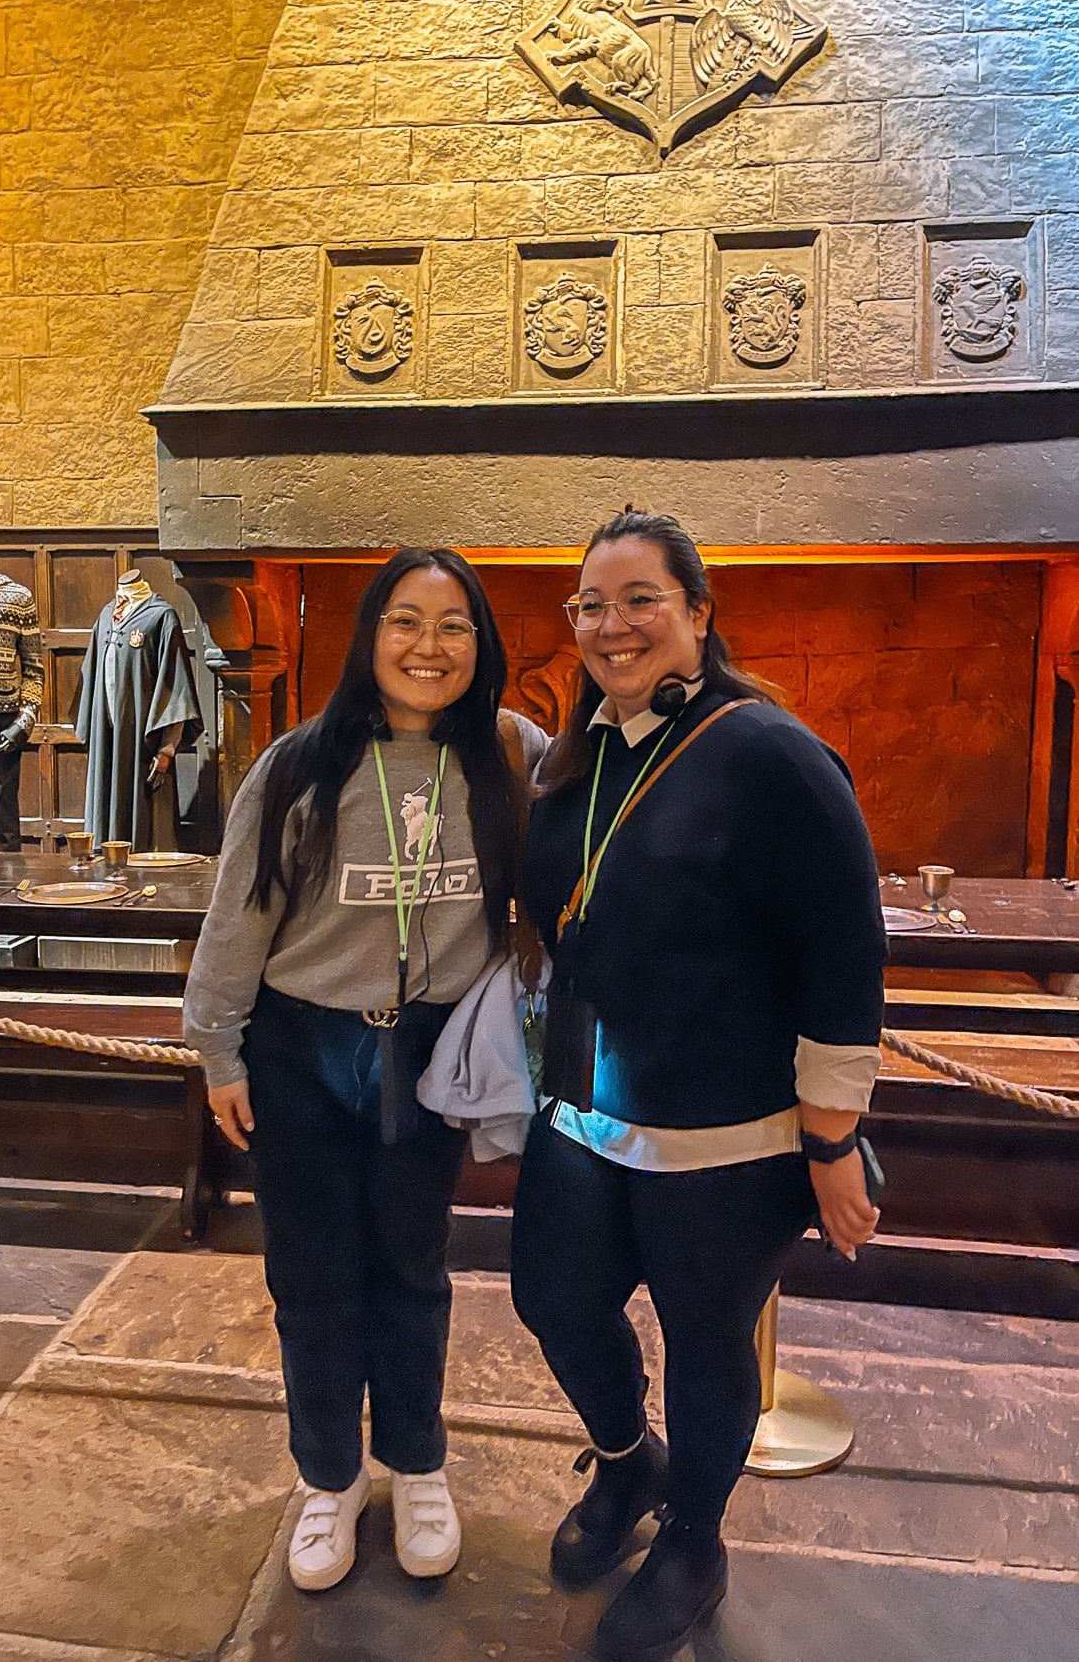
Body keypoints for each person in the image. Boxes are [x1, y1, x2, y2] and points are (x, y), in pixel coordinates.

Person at [511, 512, 886, 1662]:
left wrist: (830, 1142)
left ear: (698, 614)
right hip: (581, 1114)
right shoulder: (577, 752)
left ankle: (695, 1539)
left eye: (639, 598)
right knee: (551, 1298)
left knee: (707, 1343)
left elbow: (843, 949)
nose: (610, 623)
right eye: (589, 603)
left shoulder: (766, 750)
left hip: (724, 1139)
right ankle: (629, 1464)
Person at [184, 548, 544, 1594]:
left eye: (453, 624)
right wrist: (216, 1047)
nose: (428, 646)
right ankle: (329, 1476)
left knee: (412, 1263)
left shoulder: (514, 752)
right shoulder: (301, 761)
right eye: (405, 620)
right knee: (309, 1274)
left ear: (481, 644)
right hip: (300, 1049)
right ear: (367, 635)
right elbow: (238, 913)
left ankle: (418, 1462)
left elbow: (613, 798)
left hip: (429, 1054)